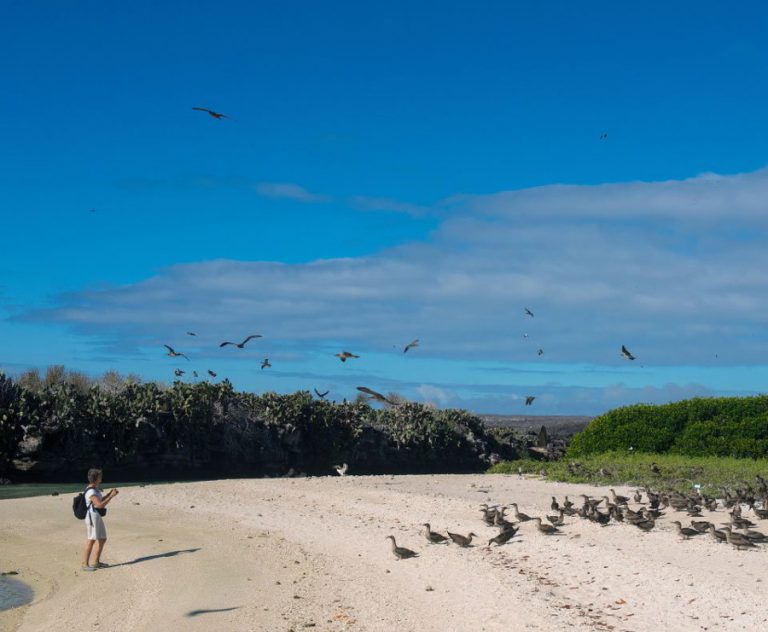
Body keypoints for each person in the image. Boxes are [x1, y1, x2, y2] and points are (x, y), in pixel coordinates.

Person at [81, 468, 119, 571]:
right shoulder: (91, 491)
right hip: (92, 516)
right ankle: (85, 564)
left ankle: (96, 562)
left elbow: (100, 501)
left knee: (102, 538)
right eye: (100, 476)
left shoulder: (94, 489)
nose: (101, 478)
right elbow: (100, 505)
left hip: (96, 516)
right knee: (91, 539)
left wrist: (109, 494)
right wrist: (111, 496)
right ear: (96, 478)